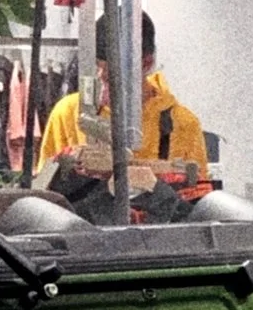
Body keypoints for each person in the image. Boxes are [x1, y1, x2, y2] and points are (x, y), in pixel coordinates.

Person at [36, 14, 207, 195]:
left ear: (146, 63)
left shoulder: (182, 123)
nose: (101, 78)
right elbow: (44, 197)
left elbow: (196, 201)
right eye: (97, 67)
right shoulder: (68, 113)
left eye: (112, 74)